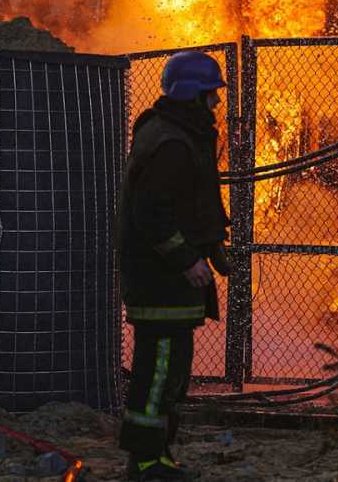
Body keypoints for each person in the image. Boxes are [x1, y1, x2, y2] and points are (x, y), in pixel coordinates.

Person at [118, 51, 230, 481]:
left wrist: (213, 249)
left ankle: (158, 456)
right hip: (161, 281)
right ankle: (145, 462)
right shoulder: (172, 144)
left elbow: (191, 203)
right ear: (193, 95)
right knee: (159, 372)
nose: (216, 104)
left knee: (170, 374)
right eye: (211, 95)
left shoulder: (178, 135)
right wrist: (186, 259)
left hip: (167, 281)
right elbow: (151, 212)